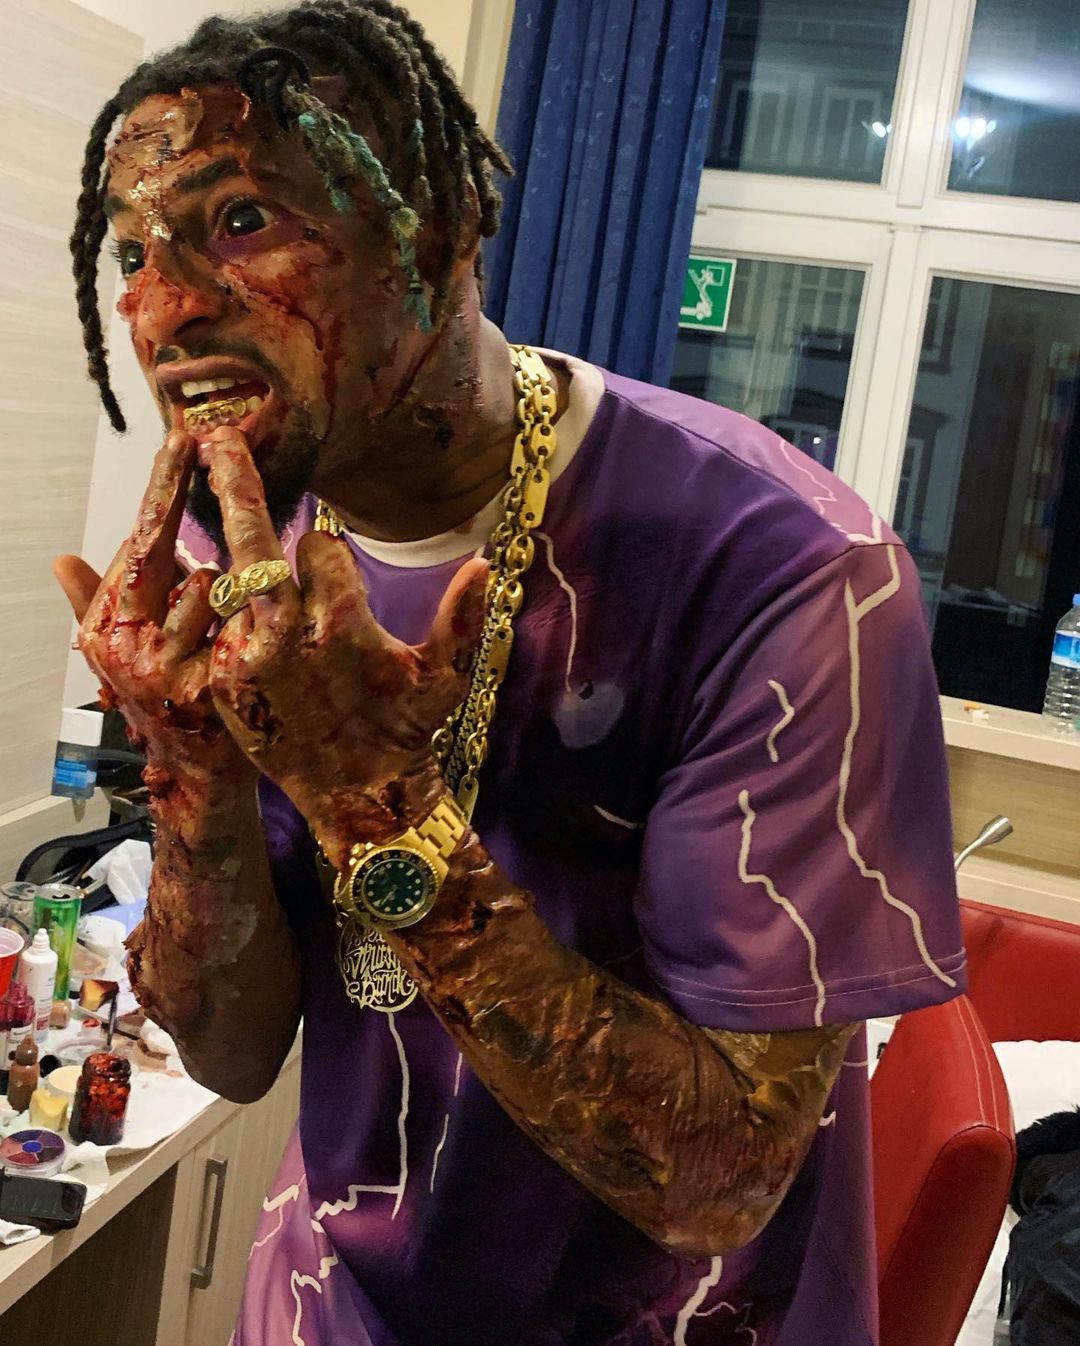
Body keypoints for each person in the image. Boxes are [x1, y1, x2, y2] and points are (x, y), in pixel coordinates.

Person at [54, 4, 966, 1343]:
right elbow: (233, 1055)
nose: (163, 308)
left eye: (239, 222)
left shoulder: (784, 567)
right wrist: (189, 767)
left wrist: (366, 794)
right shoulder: (248, 533)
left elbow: (720, 1177)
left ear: (436, 237)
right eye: (134, 253)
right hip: (332, 1298)